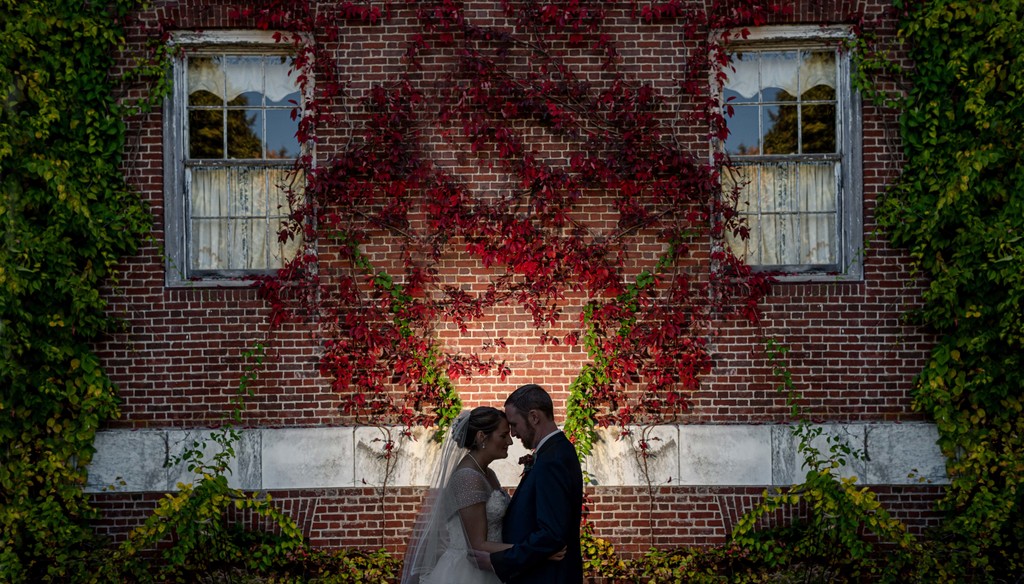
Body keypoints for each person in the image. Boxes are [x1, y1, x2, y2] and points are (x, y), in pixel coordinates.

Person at [475, 383, 585, 583]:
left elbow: (551, 534)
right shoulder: (552, 452)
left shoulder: (553, 459)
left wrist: (498, 561)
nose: (514, 434)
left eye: (514, 425)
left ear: (534, 417)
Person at [400, 406, 514, 584]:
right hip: (469, 573)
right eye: (503, 435)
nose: (510, 441)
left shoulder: (487, 473)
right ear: (482, 437)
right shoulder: (468, 477)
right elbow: (478, 545)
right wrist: (533, 552)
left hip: (492, 567)